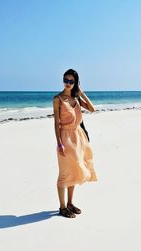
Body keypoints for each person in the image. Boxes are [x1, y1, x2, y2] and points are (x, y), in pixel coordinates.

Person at [52, 69, 98, 218]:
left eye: (71, 81)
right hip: (65, 137)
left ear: (75, 83)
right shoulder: (58, 99)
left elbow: (92, 109)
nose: (68, 83)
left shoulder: (76, 98)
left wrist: (82, 93)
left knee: (74, 169)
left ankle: (70, 203)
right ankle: (62, 207)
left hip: (78, 137)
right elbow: (56, 123)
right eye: (66, 80)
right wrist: (59, 143)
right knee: (64, 172)